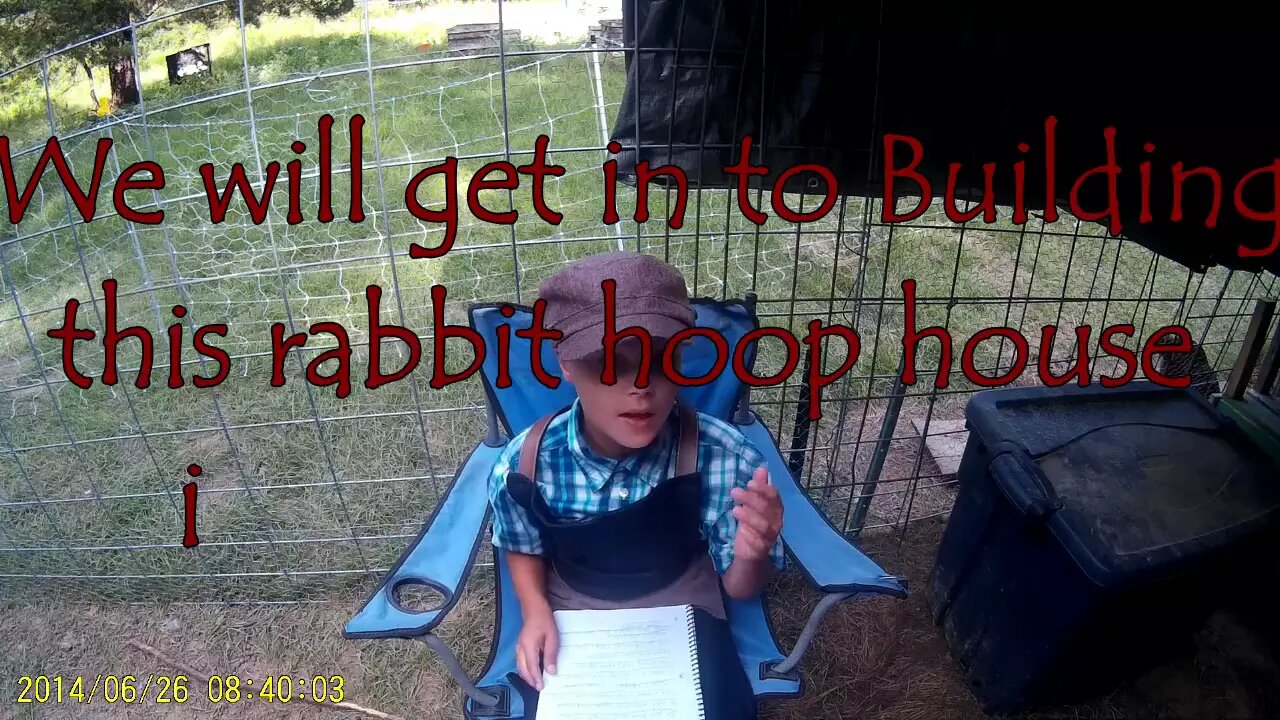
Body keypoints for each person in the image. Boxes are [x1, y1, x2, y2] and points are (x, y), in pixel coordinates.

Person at [487, 251, 786, 720]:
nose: (640, 385)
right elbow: (520, 541)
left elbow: (742, 587)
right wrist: (534, 609)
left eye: (660, 360)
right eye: (611, 364)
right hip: (573, 609)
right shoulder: (527, 464)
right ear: (566, 362)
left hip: (684, 605)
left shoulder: (722, 456)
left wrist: (753, 552)